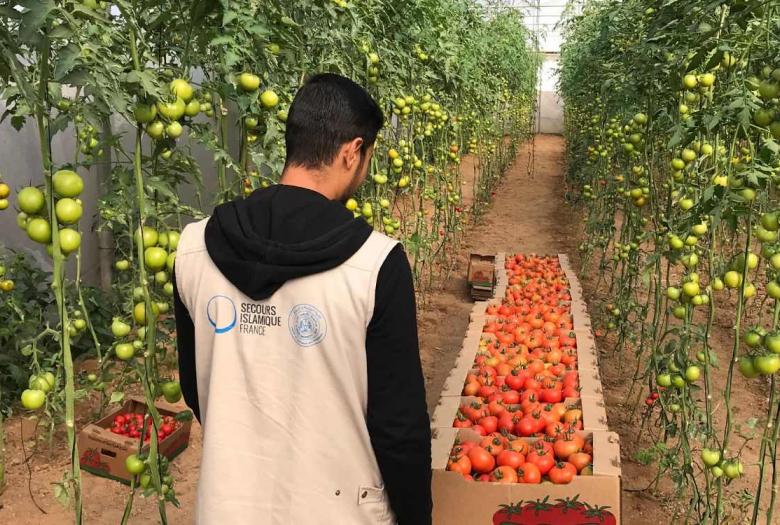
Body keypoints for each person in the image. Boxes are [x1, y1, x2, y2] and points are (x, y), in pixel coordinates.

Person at [172, 73, 432, 525]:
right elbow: (398, 428)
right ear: (352, 152)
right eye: (366, 157)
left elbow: (197, 386)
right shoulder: (374, 266)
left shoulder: (194, 248)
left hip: (228, 506)